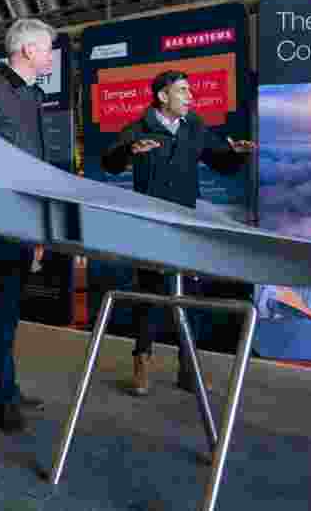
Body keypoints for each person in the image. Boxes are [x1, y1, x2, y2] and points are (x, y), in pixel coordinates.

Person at [101, 70, 256, 396]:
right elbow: (110, 162)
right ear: (162, 96)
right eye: (182, 90)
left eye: (190, 90)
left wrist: (237, 154)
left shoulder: (194, 127)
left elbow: (221, 162)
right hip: (152, 224)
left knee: (189, 295)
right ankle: (142, 361)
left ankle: (189, 370)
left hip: (185, 224)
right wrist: (129, 152)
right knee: (150, 294)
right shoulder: (140, 128)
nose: (190, 97)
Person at [0, 17, 56, 433]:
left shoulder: (31, 94)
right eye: (46, 49)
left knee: (9, 307)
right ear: (27, 50)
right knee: (3, 306)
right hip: (0, 216)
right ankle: (2, 396)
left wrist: (38, 223)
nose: (50, 56)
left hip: (25, 216)